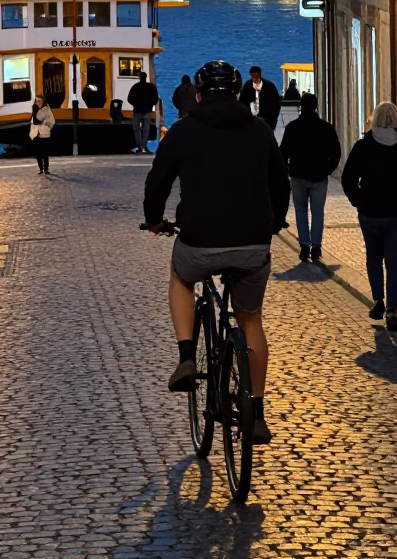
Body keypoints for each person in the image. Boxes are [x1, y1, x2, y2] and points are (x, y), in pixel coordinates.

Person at [144, 60, 290, 445]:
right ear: (240, 93)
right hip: (253, 243)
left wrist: (155, 220)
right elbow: (281, 182)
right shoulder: (259, 132)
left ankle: (187, 356)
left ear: (198, 94)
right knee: (251, 320)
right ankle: (256, 413)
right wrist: (274, 223)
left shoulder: (183, 131)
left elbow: (157, 181)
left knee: (181, 275)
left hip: (200, 240)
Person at [340, 101, 397, 332]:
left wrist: (359, 201)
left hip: (370, 214)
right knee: (394, 261)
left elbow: (348, 179)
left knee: (374, 256)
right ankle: (392, 311)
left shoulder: (362, 147)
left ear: (374, 119)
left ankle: (378, 299)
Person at [279, 92, 341, 262]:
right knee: (318, 212)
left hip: (298, 175)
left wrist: (288, 169)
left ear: (301, 106)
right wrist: (328, 169)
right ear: (316, 106)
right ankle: (317, 246)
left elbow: (282, 153)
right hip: (319, 175)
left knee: (300, 210)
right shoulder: (326, 128)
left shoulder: (292, 127)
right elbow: (336, 152)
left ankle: (305, 246)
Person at [238, 65, 281, 131]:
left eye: (256, 76)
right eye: (253, 76)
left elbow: (275, 104)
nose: (255, 79)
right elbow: (242, 103)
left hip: (267, 121)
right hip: (250, 121)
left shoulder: (269, 86)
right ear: (251, 75)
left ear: (260, 75)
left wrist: (272, 119)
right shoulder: (247, 86)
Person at [127, 70, 159, 154]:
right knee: (146, 130)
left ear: (140, 77)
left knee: (136, 129)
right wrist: (150, 106)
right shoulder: (151, 87)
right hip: (147, 111)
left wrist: (135, 105)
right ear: (146, 77)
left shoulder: (135, 87)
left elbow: (129, 99)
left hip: (137, 111)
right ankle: (144, 146)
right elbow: (155, 98)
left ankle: (138, 146)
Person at [29, 94, 56, 174]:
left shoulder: (45, 110)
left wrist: (47, 127)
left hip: (44, 134)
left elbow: (37, 121)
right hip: (36, 134)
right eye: (37, 101)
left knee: (44, 153)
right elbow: (33, 123)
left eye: (40, 101)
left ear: (43, 101)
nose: (38, 102)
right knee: (38, 153)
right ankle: (41, 169)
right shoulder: (37, 111)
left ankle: (46, 168)